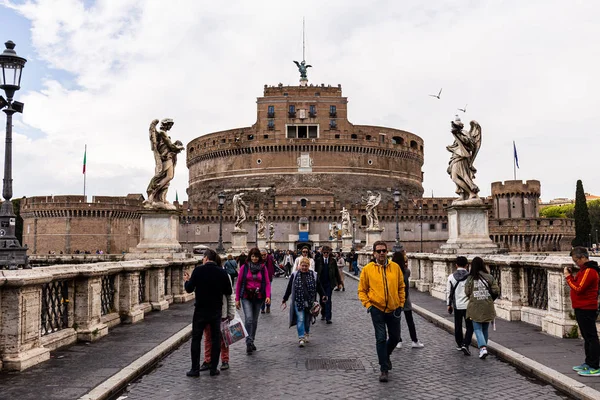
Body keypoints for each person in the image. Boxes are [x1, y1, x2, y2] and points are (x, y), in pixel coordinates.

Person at [358, 241, 405, 383]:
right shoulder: (367, 269)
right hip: (376, 309)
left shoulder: (395, 268)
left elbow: (401, 287)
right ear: (374, 253)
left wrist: (401, 304)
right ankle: (384, 369)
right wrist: (369, 305)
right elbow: (362, 290)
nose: (381, 253)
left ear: (387, 252)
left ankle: (386, 355)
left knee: (396, 338)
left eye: (384, 250)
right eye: (378, 251)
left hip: (394, 308)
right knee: (381, 338)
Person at [183, 249, 233, 377]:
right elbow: (228, 291)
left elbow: (189, 289)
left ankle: (195, 369)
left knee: (197, 339)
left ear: (205, 258)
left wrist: (187, 280)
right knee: (216, 339)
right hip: (216, 310)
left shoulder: (198, 270)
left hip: (200, 310)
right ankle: (213, 369)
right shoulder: (222, 273)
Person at [566, 247, 600, 376]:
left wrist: (568, 277)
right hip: (581, 307)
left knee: (591, 337)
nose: (575, 263)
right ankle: (588, 363)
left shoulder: (589, 271)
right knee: (587, 337)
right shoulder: (583, 271)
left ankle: (595, 366)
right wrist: (572, 276)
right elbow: (578, 285)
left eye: (576, 261)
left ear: (582, 258)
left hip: (587, 307)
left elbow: (578, 288)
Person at [282, 257, 327, 347]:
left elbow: (319, 286)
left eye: (306, 266)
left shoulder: (314, 275)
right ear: (299, 266)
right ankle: (301, 337)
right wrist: (285, 298)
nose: (304, 268)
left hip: (310, 301)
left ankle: (306, 333)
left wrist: (323, 295)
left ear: (309, 266)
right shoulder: (294, 275)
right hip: (298, 301)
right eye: (302, 266)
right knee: (301, 318)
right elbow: (289, 288)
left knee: (307, 319)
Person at [199, 262, 236, 372]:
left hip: (222, 312)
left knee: (224, 337)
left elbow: (230, 296)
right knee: (208, 337)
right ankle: (208, 360)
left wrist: (231, 312)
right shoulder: (204, 275)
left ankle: (225, 360)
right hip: (207, 312)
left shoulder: (225, 276)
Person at [235, 247, 271, 354]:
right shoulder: (244, 268)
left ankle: (251, 340)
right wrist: (237, 299)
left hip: (259, 297)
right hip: (246, 296)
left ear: (259, 257)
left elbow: (267, 282)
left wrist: (268, 296)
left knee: (254, 321)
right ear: (250, 257)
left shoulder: (263, 268)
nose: (254, 258)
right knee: (249, 319)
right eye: (253, 256)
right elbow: (239, 283)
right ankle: (248, 342)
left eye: (256, 256)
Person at [464, 256, 499, 360]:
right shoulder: (489, 277)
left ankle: (483, 348)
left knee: (477, 328)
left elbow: (467, 292)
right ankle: (483, 348)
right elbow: (496, 291)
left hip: (475, 306)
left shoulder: (470, 278)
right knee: (485, 328)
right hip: (487, 305)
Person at [392, 251, 424, 349]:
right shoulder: (406, 271)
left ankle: (398, 341)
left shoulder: (392, 271)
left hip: (394, 299)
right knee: (410, 321)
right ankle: (414, 340)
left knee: (396, 321)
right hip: (405, 299)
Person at [446, 256, 473, 355]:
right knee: (470, 326)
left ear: (456, 265)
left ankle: (459, 344)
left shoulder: (451, 277)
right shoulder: (470, 276)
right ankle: (466, 344)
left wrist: (449, 305)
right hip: (468, 305)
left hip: (457, 305)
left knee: (458, 325)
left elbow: (449, 292)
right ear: (466, 265)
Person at [315, 246, 342, 324]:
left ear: (329, 253)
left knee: (328, 300)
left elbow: (336, 272)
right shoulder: (318, 261)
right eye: (324, 253)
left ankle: (328, 317)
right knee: (322, 300)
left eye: (327, 253)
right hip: (320, 283)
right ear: (322, 253)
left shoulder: (332, 261)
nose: (326, 254)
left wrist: (339, 283)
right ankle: (323, 313)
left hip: (329, 283)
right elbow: (315, 272)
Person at [260, 249, 275, 314]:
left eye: (264, 255)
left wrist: (272, 273)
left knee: (268, 293)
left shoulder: (270, 258)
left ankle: (268, 306)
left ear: (267, 254)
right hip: (260, 279)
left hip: (268, 278)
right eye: (262, 255)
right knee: (261, 293)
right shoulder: (259, 261)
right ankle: (262, 308)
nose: (263, 256)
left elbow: (273, 266)